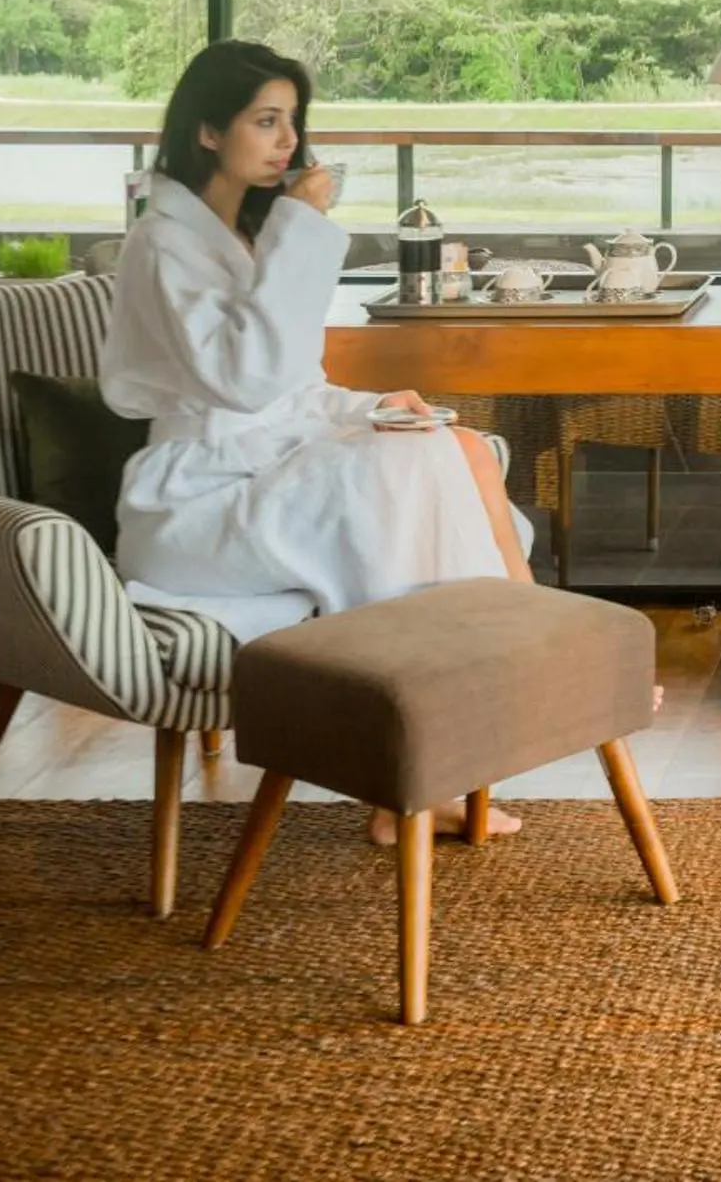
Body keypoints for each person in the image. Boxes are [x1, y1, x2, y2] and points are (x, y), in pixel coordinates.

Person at [102, 41, 534, 843]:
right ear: (205, 130)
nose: (287, 142)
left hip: (258, 470)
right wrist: (301, 222)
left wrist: (376, 401)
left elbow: (291, 389)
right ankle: (489, 708)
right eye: (265, 121)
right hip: (196, 501)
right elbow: (242, 382)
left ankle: (514, 671)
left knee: (457, 445)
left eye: (292, 122)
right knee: (412, 468)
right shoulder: (162, 245)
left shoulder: (237, 240)